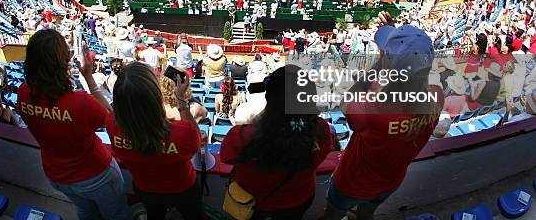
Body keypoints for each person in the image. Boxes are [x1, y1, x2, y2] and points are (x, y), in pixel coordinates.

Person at [324, 13, 443, 220]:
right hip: (391, 182)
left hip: (351, 183)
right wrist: (398, 44)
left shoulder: (372, 111)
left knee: (331, 215)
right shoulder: (436, 97)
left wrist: (380, 62)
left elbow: (346, 102)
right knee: (366, 214)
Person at [17, 29, 131, 220]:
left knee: (85, 211)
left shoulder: (23, 93)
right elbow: (113, 121)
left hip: (56, 175)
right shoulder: (80, 102)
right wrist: (89, 78)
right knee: (117, 215)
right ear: (63, 63)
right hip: (95, 175)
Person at [220, 65, 333, 219]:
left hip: (254, 203)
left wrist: (262, 116)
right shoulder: (321, 128)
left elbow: (226, 158)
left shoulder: (243, 136)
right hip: (300, 199)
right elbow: (321, 154)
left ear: (269, 99)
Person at [106, 61, 203, 220]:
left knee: (154, 216)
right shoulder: (182, 132)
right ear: (156, 95)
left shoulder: (111, 124)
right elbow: (196, 141)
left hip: (145, 189)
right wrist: (181, 102)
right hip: (182, 189)